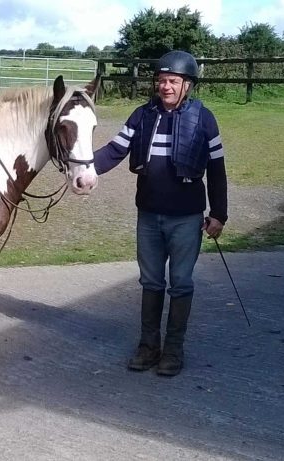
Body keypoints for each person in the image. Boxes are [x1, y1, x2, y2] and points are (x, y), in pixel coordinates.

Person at [93, 50, 228, 376]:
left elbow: (217, 169)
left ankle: (173, 350)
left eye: (173, 81)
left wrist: (219, 214)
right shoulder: (142, 115)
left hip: (186, 218)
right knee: (151, 280)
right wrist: (81, 166)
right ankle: (148, 346)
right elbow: (114, 151)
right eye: (162, 80)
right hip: (149, 216)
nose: (166, 86)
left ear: (187, 85)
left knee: (180, 283)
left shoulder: (204, 118)